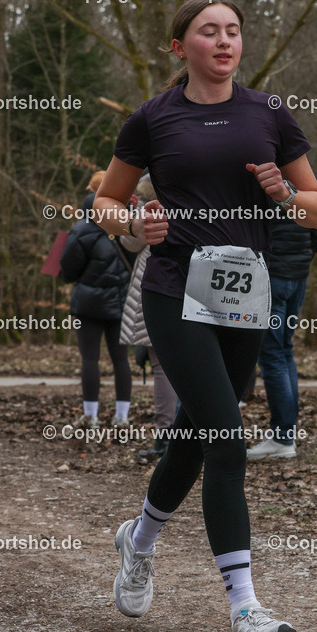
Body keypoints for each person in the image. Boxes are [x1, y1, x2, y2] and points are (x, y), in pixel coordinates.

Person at [92, 0, 317, 632]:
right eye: (208, 31)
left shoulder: (270, 113)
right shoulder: (153, 119)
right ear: (179, 47)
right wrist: (136, 224)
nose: (224, 41)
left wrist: (284, 194)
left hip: (245, 293)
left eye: (233, 32)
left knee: (198, 435)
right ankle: (246, 609)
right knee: (227, 440)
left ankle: (138, 541)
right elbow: (106, 202)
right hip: (175, 289)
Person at [248, 200, 317, 461]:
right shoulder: (304, 171)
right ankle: (285, 435)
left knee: (272, 354)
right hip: (296, 274)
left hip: (272, 273)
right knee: (283, 351)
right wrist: (302, 256)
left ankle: (282, 438)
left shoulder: (259, 171)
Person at [60, 171, 135, 430]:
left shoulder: (81, 228)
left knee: (90, 359)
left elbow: (67, 272)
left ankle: (90, 416)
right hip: (122, 301)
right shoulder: (130, 222)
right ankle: (122, 417)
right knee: (121, 359)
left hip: (88, 303)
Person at [117, 174, 177, 458]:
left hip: (158, 273)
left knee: (162, 365)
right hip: (203, 274)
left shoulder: (151, 186)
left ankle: (166, 437)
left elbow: (132, 243)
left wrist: (126, 219)